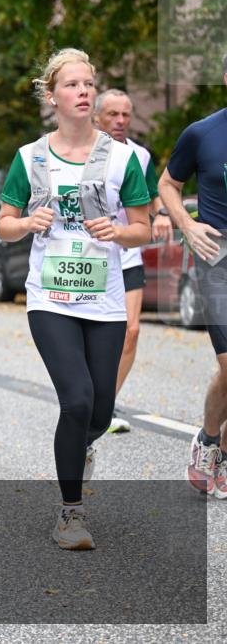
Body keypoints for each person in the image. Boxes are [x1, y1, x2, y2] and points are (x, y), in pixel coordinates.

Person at [0, 49, 151, 550]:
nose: (84, 91)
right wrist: (26, 223)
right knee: (77, 399)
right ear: (52, 96)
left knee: (100, 413)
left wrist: (120, 233)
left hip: (103, 298)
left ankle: (80, 445)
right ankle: (70, 515)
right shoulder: (31, 157)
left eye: (89, 84)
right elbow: (3, 224)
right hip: (51, 298)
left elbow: (145, 229)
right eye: (72, 85)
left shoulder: (124, 158)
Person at [158, 52, 227, 499]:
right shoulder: (201, 133)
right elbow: (168, 184)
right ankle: (208, 438)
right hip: (218, 256)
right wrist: (185, 223)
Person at [94, 89, 175, 432]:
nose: (120, 121)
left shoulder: (139, 156)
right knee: (94, 334)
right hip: (93, 258)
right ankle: (87, 400)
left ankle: (104, 409)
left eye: (125, 114)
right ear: (97, 117)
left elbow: (151, 197)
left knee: (131, 331)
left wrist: (163, 215)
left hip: (128, 255)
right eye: (112, 114)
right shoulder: (83, 153)